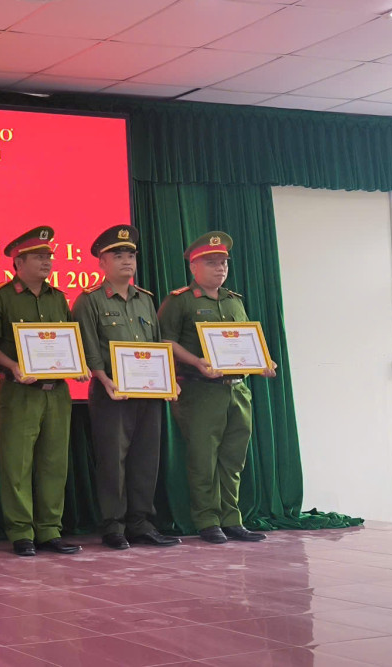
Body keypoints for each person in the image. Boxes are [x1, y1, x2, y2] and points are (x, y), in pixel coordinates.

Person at [158, 231, 277, 545]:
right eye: (211, 262)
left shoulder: (234, 301)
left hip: (237, 390)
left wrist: (263, 362)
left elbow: (246, 342)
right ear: (194, 267)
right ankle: (207, 520)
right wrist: (196, 361)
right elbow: (165, 342)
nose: (220, 268)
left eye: (223, 262)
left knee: (233, 459)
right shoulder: (180, 300)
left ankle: (232, 519)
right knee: (203, 459)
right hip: (200, 392)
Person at [72, 225, 182, 550]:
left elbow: (157, 346)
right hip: (112, 393)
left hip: (148, 392)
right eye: (117, 255)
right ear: (101, 262)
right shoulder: (89, 300)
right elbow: (88, 347)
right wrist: (104, 378)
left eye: (130, 255)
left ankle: (140, 523)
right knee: (113, 461)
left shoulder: (145, 300)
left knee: (145, 459)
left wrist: (168, 379)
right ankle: (113, 525)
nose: (126, 261)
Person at [0, 226, 85, 557]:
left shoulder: (58, 297)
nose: (46, 262)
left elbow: (67, 340)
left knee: (54, 463)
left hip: (57, 392)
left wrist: (77, 364)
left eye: (48, 256)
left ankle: (49, 530)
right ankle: (21, 531)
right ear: (19, 262)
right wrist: (12, 365)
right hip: (18, 392)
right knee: (17, 464)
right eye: (38, 257)